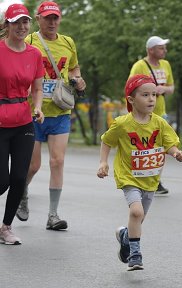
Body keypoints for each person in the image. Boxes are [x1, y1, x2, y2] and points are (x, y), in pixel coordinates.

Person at [97, 74, 182, 271]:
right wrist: (103, 162)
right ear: (131, 99)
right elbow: (106, 141)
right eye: (145, 95)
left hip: (151, 179)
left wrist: (175, 152)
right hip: (129, 176)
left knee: (139, 218)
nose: (151, 99)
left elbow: (169, 143)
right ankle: (135, 255)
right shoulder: (122, 124)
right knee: (136, 212)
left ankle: (125, 236)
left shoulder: (159, 123)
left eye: (154, 94)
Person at [16, 1, 86, 230]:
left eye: (55, 17)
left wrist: (77, 80)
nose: (52, 22)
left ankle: (53, 215)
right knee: (33, 166)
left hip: (60, 111)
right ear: (38, 19)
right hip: (33, 114)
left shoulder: (68, 43)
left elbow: (74, 68)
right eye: (47, 18)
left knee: (58, 161)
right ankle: (22, 194)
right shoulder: (30, 41)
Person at [0, 3, 44, 244]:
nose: (22, 26)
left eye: (25, 22)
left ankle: (5, 227)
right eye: (16, 22)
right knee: (1, 182)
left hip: (23, 122)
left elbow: (37, 88)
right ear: (7, 25)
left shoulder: (34, 54)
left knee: (18, 178)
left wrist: (37, 107)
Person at [129, 36, 174, 194]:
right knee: (143, 148)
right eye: (161, 48)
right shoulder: (140, 66)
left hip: (161, 114)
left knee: (161, 148)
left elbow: (171, 87)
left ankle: (155, 181)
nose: (165, 50)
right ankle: (137, 180)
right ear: (150, 50)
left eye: (164, 47)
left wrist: (163, 89)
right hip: (143, 114)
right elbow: (130, 88)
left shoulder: (166, 65)